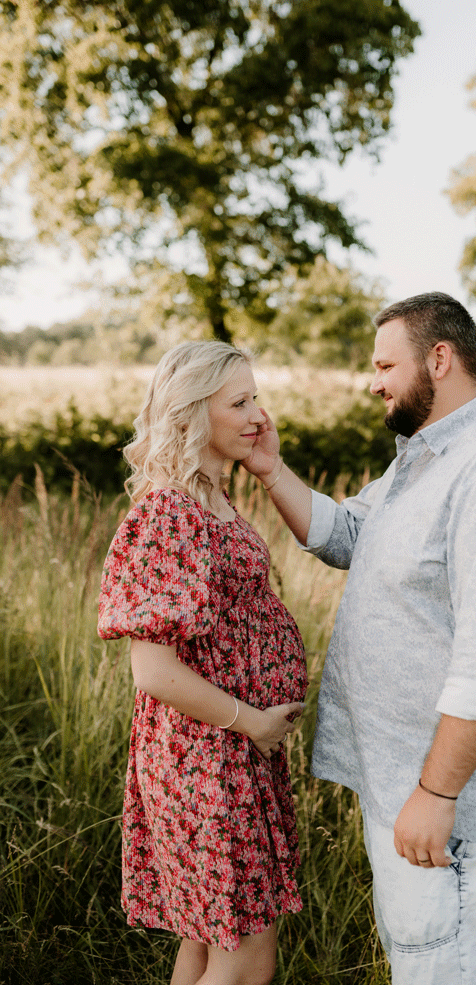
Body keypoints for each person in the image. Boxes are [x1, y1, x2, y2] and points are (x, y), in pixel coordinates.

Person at [241, 292, 476, 985]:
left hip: (456, 810)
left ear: (440, 359)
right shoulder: (426, 456)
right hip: (404, 785)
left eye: (385, 365)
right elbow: (350, 534)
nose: (374, 383)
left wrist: (437, 794)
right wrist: (271, 470)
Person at [97, 341, 308, 985]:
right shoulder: (169, 513)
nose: (258, 415)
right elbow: (153, 671)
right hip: (205, 758)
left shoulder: (210, 499)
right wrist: (255, 722)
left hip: (228, 751)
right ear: (192, 413)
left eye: (256, 398)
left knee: (205, 944)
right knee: (246, 960)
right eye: (239, 403)